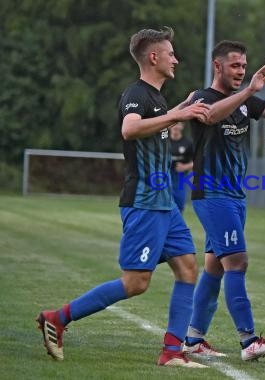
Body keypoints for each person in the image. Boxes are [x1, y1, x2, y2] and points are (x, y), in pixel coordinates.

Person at [36, 27, 211, 368]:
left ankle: (173, 351)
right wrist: (178, 114)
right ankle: (57, 318)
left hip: (164, 204)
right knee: (135, 283)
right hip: (144, 202)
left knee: (188, 268)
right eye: (171, 53)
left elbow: (154, 124)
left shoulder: (157, 98)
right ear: (153, 57)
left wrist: (180, 107)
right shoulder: (137, 93)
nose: (176, 58)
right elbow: (130, 128)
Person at [182, 40, 265, 361]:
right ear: (218, 67)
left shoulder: (244, 102)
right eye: (235, 66)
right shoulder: (201, 98)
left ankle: (193, 339)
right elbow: (211, 116)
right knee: (238, 261)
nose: (241, 71)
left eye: (243, 66)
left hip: (235, 197)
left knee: (215, 267)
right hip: (213, 194)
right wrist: (249, 90)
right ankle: (248, 340)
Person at [170, 122, 194, 212]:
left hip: (180, 176)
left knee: (179, 200)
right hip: (165, 175)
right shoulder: (164, 142)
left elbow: (198, 161)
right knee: (165, 199)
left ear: (182, 126)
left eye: (178, 124)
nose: (175, 126)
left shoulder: (188, 143)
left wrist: (185, 166)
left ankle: (178, 222)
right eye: (173, 123)